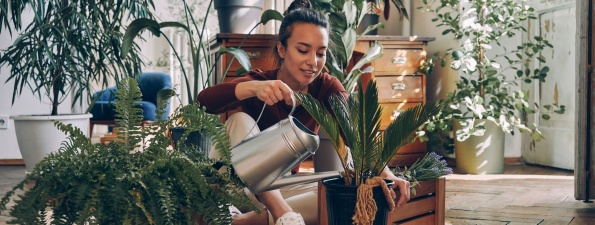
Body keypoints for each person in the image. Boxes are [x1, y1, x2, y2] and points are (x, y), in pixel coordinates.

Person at [197, 1, 411, 224]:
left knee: (345, 193)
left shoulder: (327, 88)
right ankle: (281, 215)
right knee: (239, 120)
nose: (313, 62)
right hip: (236, 186)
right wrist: (254, 88)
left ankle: (240, 222)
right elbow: (204, 101)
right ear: (282, 49)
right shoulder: (259, 81)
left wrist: (388, 175)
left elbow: (355, 137)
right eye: (302, 50)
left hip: (280, 188)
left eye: (321, 53)